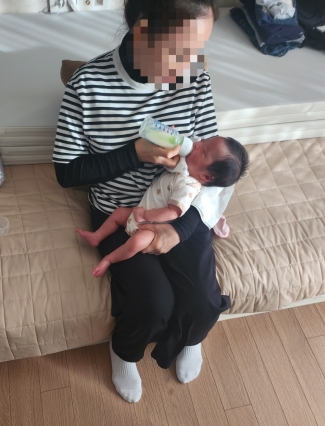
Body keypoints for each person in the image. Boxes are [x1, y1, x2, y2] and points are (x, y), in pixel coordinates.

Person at [54, 0, 233, 403]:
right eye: (180, 50)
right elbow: (67, 172)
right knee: (153, 306)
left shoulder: (195, 78)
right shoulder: (88, 85)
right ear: (142, 29)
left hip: (180, 207)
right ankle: (124, 351)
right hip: (121, 211)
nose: (189, 64)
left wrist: (179, 228)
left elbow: (211, 172)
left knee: (203, 303)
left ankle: (191, 336)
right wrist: (134, 153)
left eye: (197, 50)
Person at [76, 135, 249, 277]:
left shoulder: (189, 188)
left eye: (203, 150)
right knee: (119, 213)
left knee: (135, 243)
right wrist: (168, 136)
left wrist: (145, 215)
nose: (197, 144)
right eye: (204, 140)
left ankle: (109, 259)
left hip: (151, 227)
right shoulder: (186, 167)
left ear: (206, 177)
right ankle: (97, 236)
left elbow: (172, 212)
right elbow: (176, 149)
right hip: (138, 213)